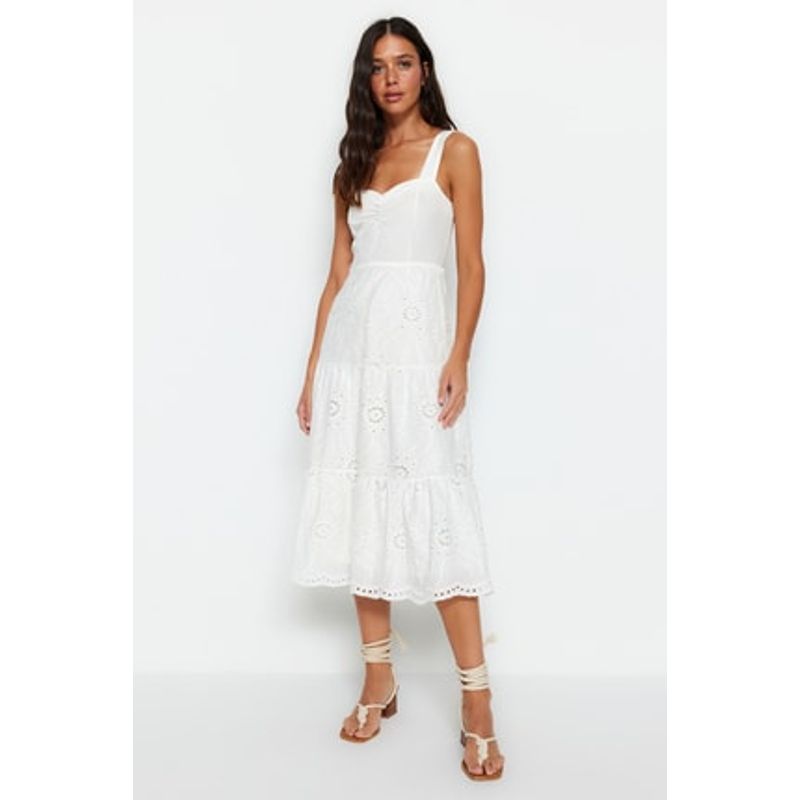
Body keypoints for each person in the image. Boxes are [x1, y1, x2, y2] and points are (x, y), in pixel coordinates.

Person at [292, 16, 505, 781]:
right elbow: (338, 276)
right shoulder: (353, 164)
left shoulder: (456, 151)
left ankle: (477, 699)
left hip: (418, 361)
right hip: (353, 361)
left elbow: (472, 265)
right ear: (366, 78)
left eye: (404, 63)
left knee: (437, 510)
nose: (391, 78)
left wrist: (459, 356)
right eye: (378, 66)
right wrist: (314, 370)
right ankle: (378, 676)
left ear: (424, 70)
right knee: (361, 508)